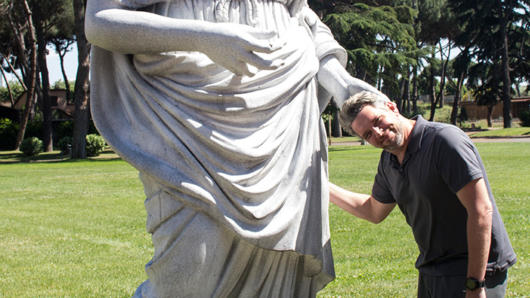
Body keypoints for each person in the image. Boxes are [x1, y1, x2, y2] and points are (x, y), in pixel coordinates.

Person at [85, 0, 388, 296]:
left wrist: (341, 82)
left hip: (284, 106)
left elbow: (302, 18)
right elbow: (101, 20)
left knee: (282, 265)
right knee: (191, 272)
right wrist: (204, 37)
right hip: (188, 113)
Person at [330, 91, 516, 297]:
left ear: (392, 107)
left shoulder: (443, 141)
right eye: (368, 134)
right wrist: (323, 187)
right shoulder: (389, 162)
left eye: (378, 121)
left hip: (472, 271)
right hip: (432, 271)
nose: (377, 133)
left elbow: (480, 210)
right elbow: (373, 210)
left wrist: (475, 284)